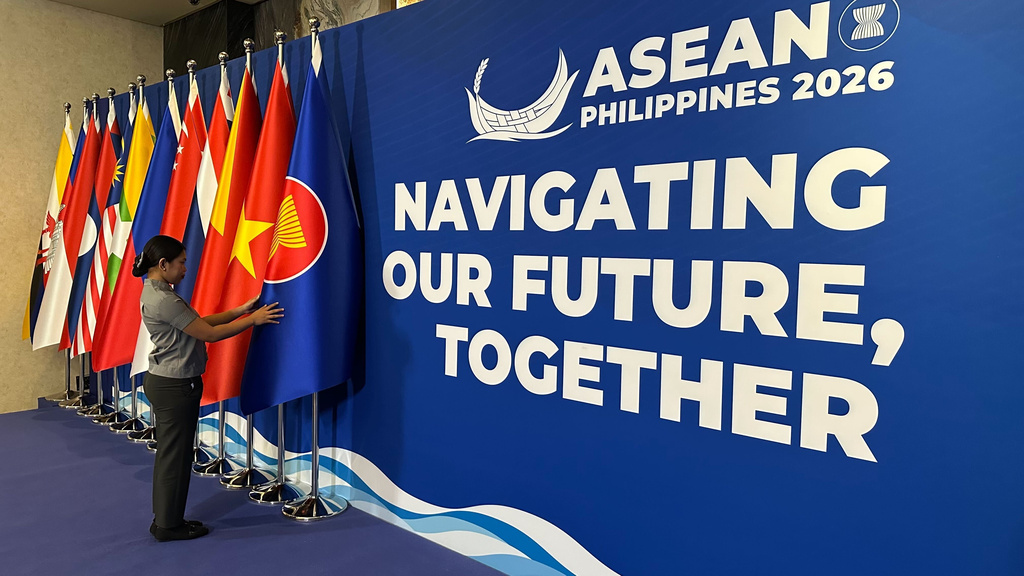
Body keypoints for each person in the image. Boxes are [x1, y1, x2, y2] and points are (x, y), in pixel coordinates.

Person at [131, 234, 284, 542]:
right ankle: (168, 525)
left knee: (171, 455)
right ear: (163, 264)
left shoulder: (157, 292)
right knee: (175, 457)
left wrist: (241, 310)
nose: (186, 269)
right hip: (175, 386)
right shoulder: (164, 299)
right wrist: (253, 320)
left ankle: (165, 518)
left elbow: (201, 323)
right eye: (182, 263)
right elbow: (210, 335)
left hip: (166, 381)